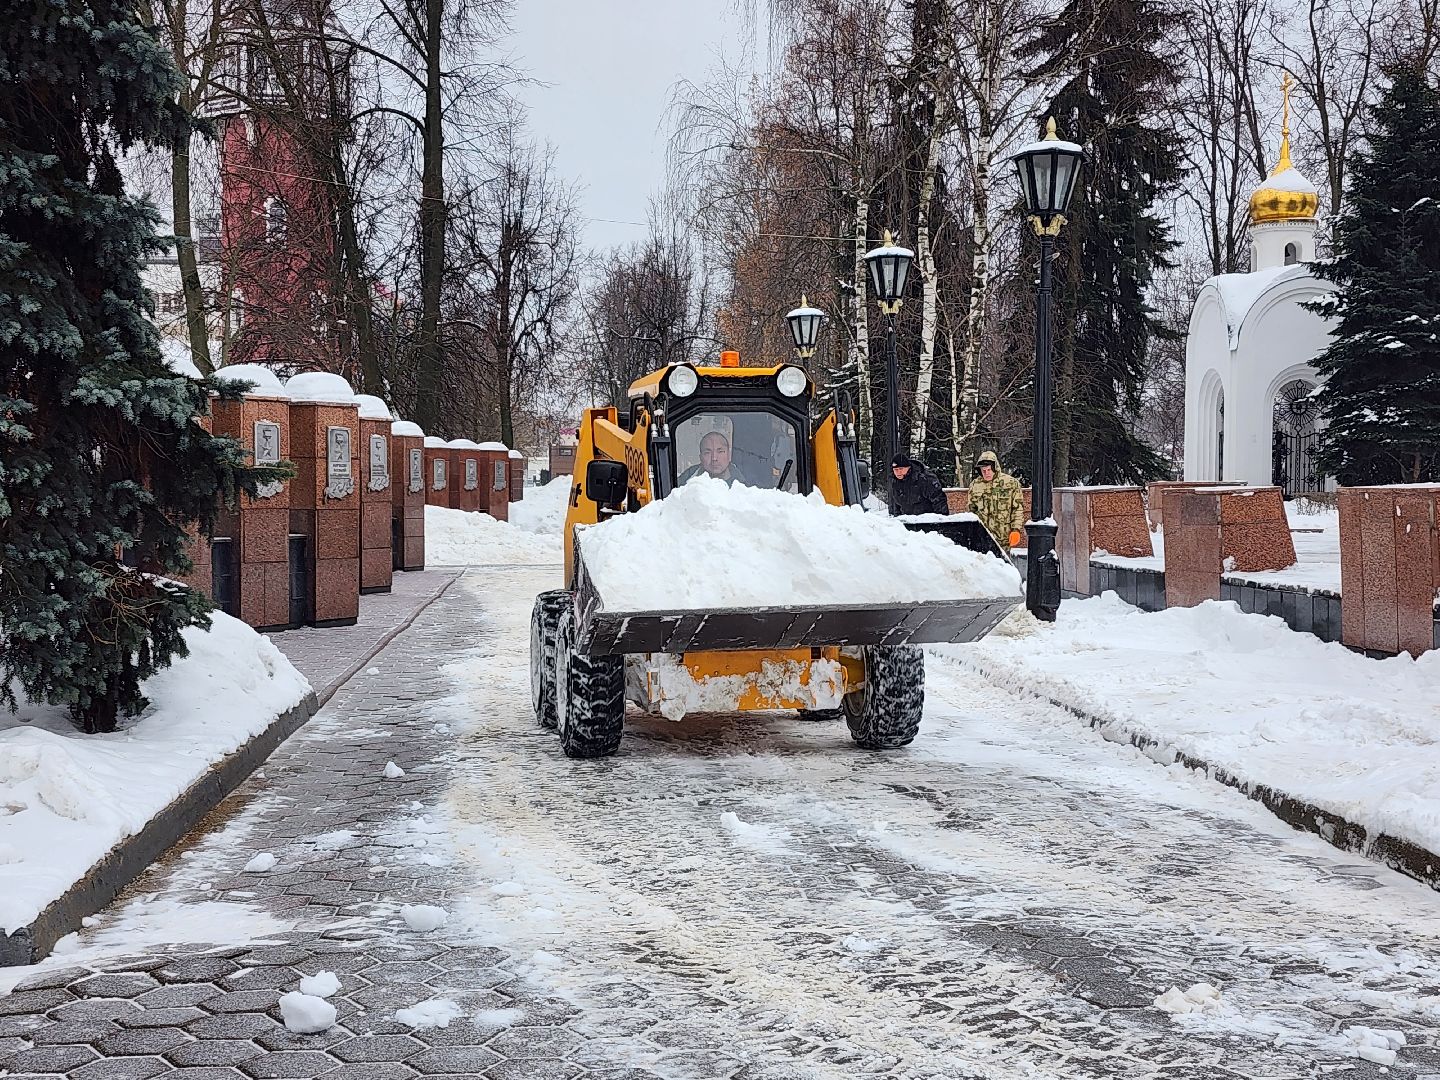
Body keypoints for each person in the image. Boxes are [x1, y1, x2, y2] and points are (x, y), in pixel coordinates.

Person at [968, 450, 1025, 551]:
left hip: (1004, 539)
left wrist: (1016, 529)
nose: (986, 473)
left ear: (995, 468)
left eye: (989, 470)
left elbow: (1017, 508)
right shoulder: (975, 485)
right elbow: (971, 511)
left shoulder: (1010, 484)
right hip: (982, 538)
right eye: (983, 471)